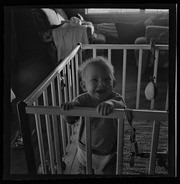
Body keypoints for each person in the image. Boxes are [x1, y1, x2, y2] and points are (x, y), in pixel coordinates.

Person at [61, 56, 126, 175]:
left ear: (114, 83)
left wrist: (110, 103)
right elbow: (70, 120)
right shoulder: (82, 100)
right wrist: (68, 110)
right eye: (95, 80)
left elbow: (122, 106)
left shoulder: (115, 98)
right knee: (87, 172)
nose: (101, 84)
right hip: (86, 150)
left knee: (111, 171)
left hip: (109, 151)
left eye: (107, 80)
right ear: (84, 86)